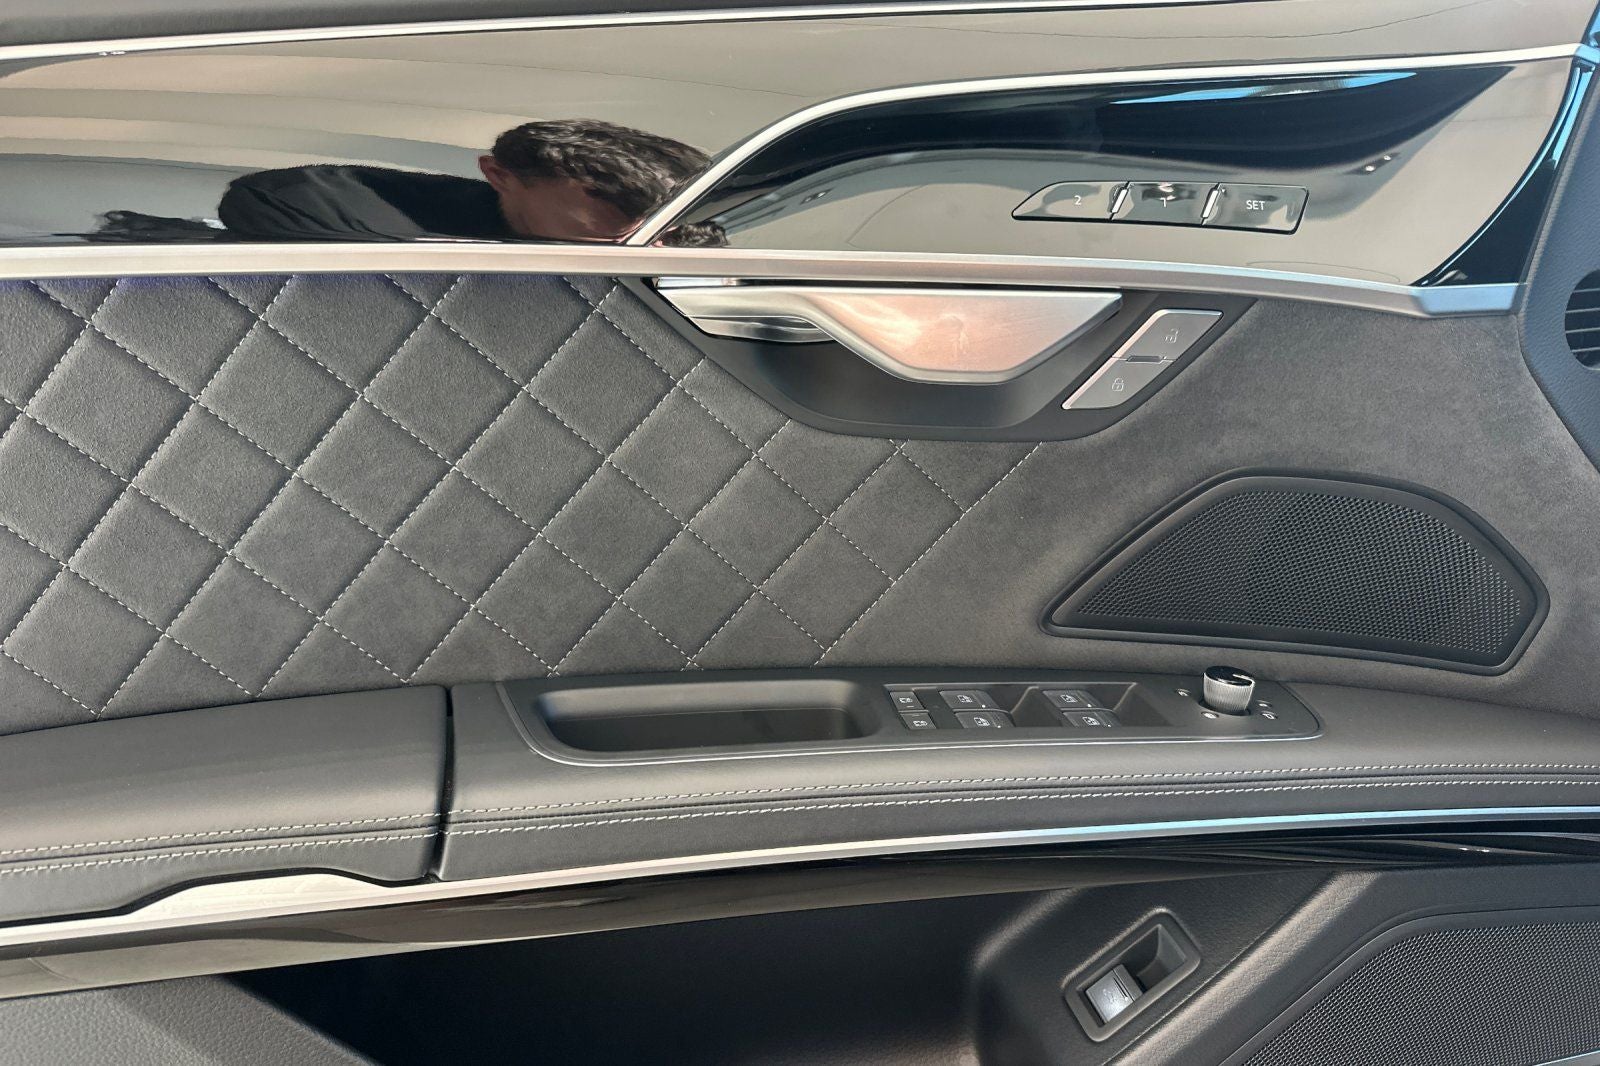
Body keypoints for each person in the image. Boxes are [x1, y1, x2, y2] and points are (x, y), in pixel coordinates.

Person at [215, 118, 723, 245]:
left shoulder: (689, 238)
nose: (655, 237)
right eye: (616, 205)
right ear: (500, 176)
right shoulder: (327, 207)